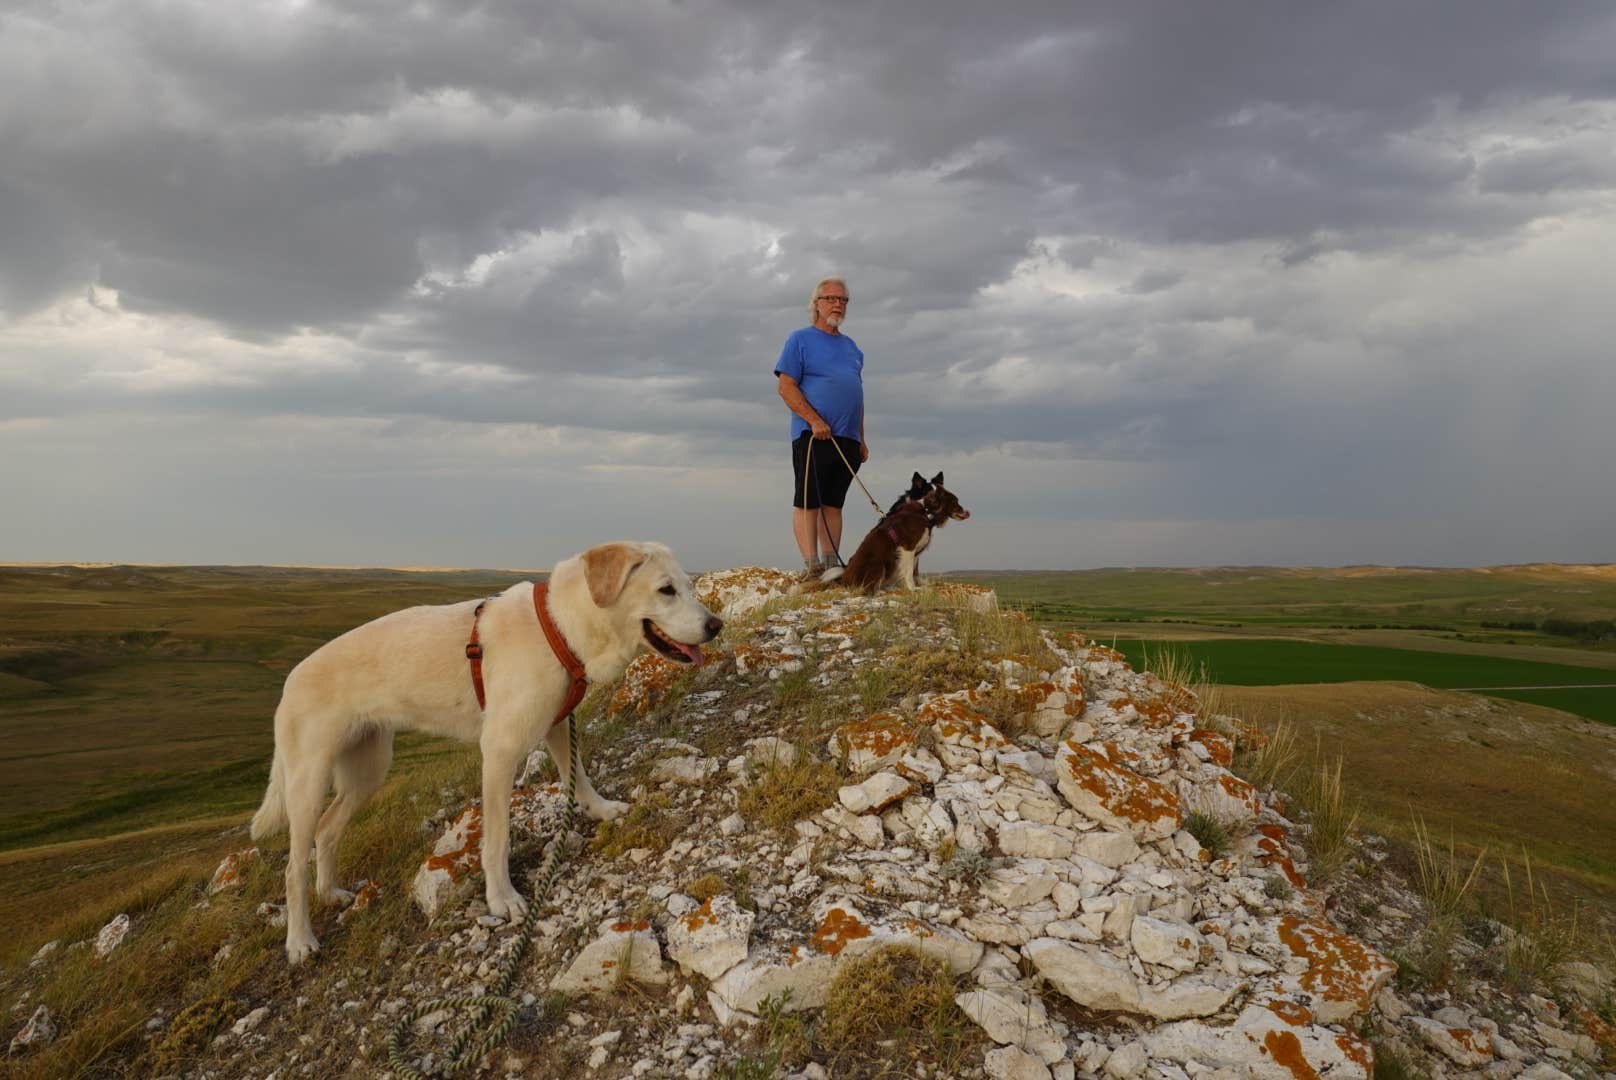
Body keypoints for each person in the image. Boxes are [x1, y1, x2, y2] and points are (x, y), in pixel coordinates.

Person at [774, 276, 869, 577]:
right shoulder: (799, 340)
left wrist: (861, 439)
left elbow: (856, 393)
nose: (838, 304)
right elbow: (786, 387)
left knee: (834, 503)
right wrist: (814, 420)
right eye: (831, 298)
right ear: (816, 304)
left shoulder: (852, 347)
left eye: (843, 300)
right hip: (812, 435)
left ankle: (831, 565)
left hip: (847, 438)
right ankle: (811, 566)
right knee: (808, 501)